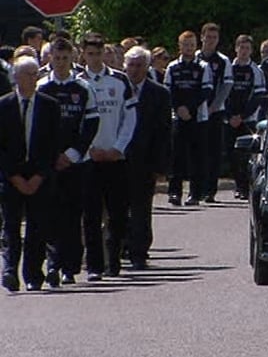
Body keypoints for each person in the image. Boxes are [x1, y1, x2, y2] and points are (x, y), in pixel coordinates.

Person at [36, 38, 100, 285]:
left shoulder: (82, 88)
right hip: (49, 162)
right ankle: (53, 264)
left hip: (76, 162)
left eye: (65, 58)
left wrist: (73, 153)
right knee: (51, 214)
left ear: (73, 58)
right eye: (57, 58)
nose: (61, 63)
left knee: (73, 215)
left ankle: (70, 267)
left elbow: (91, 123)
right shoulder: (42, 87)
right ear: (50, 58)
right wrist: (51, 156)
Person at [78, 33, 138, 281]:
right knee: (91, 215)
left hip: (115, 158)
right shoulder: (78, 82)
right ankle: (94, 265)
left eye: (98, 53)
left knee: (118, 214)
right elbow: (77, 122)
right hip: (88, 159)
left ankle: (113, 261)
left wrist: (118, 148)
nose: (94, 58)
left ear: (104, 53)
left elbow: (130, 119)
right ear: (83, 54)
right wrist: (89, 148)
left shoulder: (120, 80)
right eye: (90, 53)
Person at [0, 56, 61, 292]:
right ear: (15, 77)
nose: (32, 78)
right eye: (27, 74)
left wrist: (38, 177)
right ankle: (9, 271)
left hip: (39, 175)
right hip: (11, 176)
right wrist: (14, 177)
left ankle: (34, 273)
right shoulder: (3, 106)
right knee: (11, 226)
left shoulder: (49, 106)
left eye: (35, 73)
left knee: (38, 226)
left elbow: (53, 145)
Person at [124, 46, 171, 270]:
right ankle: (119, 247)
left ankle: (139, 252)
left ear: (147, 67)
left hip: (145, 159)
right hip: (118, 158)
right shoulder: (118, 88)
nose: (134, 70)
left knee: (142, 208)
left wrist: (160, 164)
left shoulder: (159, 93)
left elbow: (163, 131)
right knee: (118, 207)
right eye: (130, 65)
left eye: (139, 65)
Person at [165, 31, 213, 207]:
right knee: (176, 156)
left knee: (197, 157)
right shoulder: (172, 67)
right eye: (186, 44)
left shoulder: (203, 66)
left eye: (192, 45)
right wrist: (179, 108)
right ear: (180, 46)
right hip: (178, 116)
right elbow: (168, 90)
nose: (189, 48)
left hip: (198, 117)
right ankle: (174, 193)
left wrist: (190, 108)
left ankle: (195, 194)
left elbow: (206, 90)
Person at [226, 34, 266, 199]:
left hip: (248, 120)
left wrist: (242, 116)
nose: (244, 51)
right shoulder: (229, 68)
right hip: (229, 119)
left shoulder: (256, 70)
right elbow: (224, 93)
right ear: (236, 48)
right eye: (241, 48)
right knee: (232, 155)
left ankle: (247, 187)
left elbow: (257, 97)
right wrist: (230, 116)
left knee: (247, 156)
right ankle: (239, 186)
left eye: (247, 48)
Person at [197, 23, 233, 203]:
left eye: (214, 38)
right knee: (197, 150)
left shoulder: (223, 61)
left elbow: (226, 86)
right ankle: (197, 188)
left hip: (215, 111)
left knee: (213, 151)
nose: (210, 41)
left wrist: (213, 106)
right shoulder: (194, 58)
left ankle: (210, 190)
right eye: (208, 37)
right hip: (196, 111)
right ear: (202, 37)